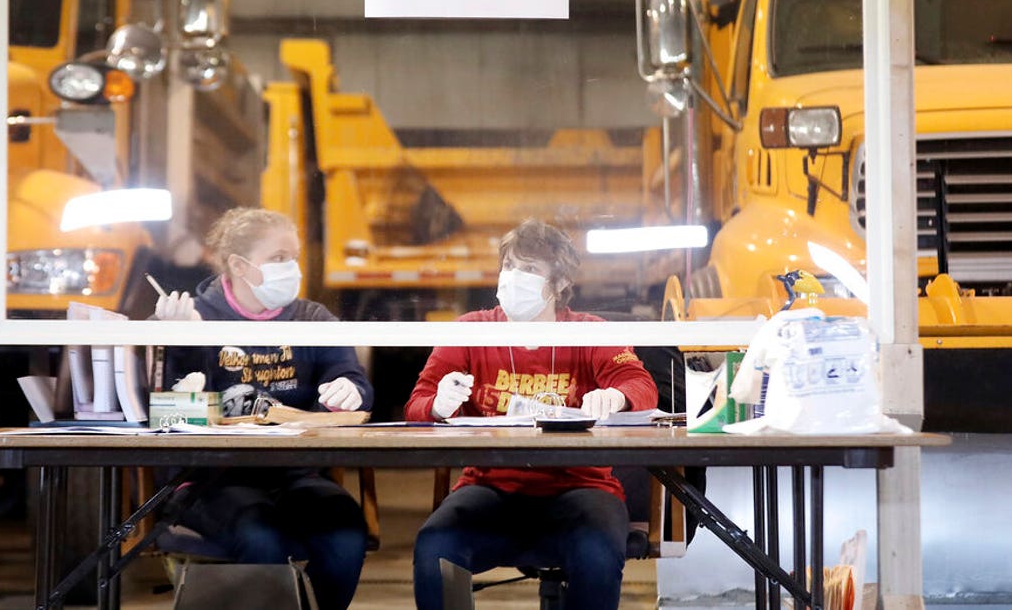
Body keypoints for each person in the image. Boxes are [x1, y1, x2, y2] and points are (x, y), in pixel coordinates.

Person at [406, 219, 658, 610]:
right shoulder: (471, 330)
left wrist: (617, 397)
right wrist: (437, 404)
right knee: (435, 544)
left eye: (529, 270)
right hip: (490, 489)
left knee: (596, 551)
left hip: (581, 489)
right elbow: (416, 407)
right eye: (508, 267)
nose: (513, 278)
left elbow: (641, 386)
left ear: (558, 285)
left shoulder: (588, 331)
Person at [153, 206, 372, 610]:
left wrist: (350, 388)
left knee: (345, 531)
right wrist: (178, 342)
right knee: (261, 535)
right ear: (239, 265)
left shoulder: (311, 318)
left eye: (294, 256)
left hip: (293, 473)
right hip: (209, 480)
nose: (291, 267)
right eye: (278, 258)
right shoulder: (195, 317)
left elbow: (353, 380)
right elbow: (167, 412)